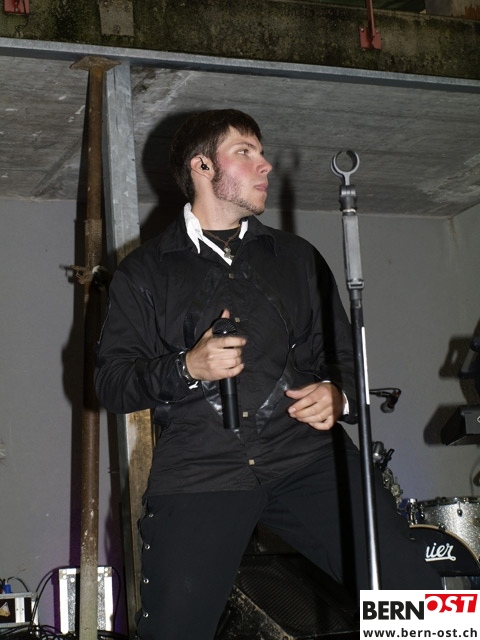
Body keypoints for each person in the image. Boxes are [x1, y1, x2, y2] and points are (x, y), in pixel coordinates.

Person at [94, 109, 441, 640]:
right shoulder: (144, 272)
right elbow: (111, 383)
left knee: (416, 593)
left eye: (261, 151)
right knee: (173, 628)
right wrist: (187, 366)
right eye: (245, 151)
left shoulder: (297, 258)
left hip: (306, 455)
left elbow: (346, 359)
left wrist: (340, 395)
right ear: (202, 166)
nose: (266, 164)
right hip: (200, 468)